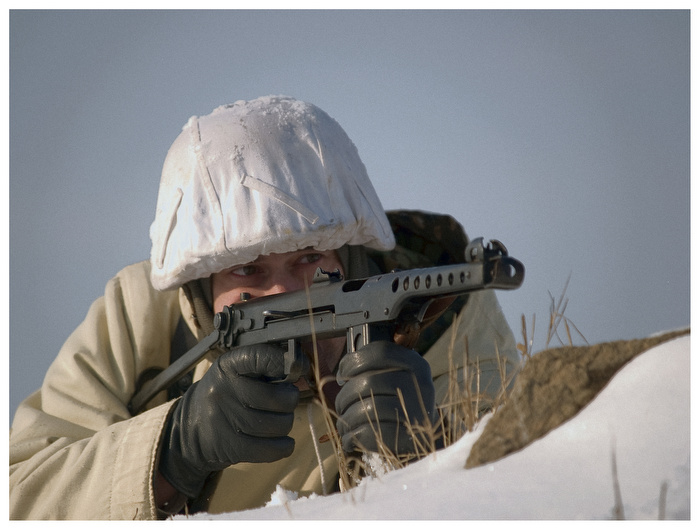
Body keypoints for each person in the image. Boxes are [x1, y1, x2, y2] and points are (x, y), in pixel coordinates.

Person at [9, 96, 519, 520]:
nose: (283, 295)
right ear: (202, 288)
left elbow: (534, 488)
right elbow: (20, 496)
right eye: (247, 271)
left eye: (311, 261)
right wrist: (172, 451)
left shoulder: (446, 326)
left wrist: (426, 454)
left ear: (352, 260)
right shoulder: (144, 320)